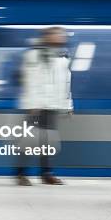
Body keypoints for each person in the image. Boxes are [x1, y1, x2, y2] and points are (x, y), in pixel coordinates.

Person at [17, 26, 73, 186]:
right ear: (47, 36)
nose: (61, 37)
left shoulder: (63, 56)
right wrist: (33, 104)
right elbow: (30, 81)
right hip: (37, 106)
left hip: (52, 106)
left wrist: (68, 105)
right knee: (29, 142)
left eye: (62, 34)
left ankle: (46, 173)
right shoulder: (34, 55)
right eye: (57, 34)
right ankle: (21, 173)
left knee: (48, 143)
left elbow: (67, 82)